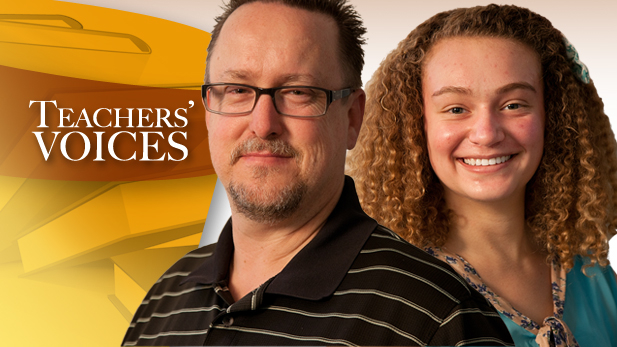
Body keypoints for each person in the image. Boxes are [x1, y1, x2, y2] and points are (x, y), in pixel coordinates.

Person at [121, 0, 516, 346]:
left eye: (298, 92)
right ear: (208, 110)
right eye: (237, 89)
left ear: (351, 118)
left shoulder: (440, 318)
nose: (262, 124)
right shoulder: (162, 299)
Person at [348, 4, 617, 347]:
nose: (486, 133)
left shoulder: (593, 274)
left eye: (513, 104)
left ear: (554, 116)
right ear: (416, 126)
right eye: (456, 108)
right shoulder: (388, 289)